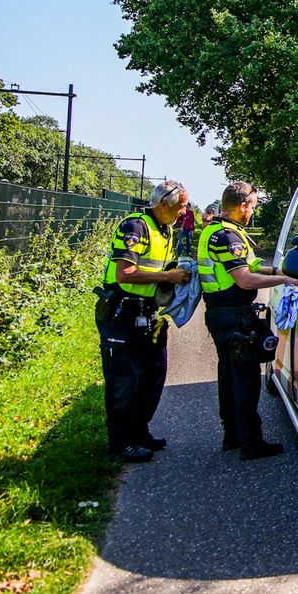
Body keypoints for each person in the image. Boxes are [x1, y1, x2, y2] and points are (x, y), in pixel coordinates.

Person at [198, 181, 298, 460]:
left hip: (222, 314)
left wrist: (279, 268)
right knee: (245, 379)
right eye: (252, 206)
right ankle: (251, 443)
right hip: (233, 315)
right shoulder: (228, 237)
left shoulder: (218, 230)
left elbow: (252, 265)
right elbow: (244, 279)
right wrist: (286, 279)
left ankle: (232, 435)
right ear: (242, 206)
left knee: (229, 375)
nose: (252, 212)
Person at [94, 180, 191, 462]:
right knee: (125, 378)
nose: (185, 212)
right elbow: (125, 274)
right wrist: (167, 277)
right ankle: (121, 441)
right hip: (122, 312)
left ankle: (139, 430)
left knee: (153, 374)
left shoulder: (165, 229)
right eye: (182, 206)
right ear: (164, 204)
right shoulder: (135, 226)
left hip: (148, 313)